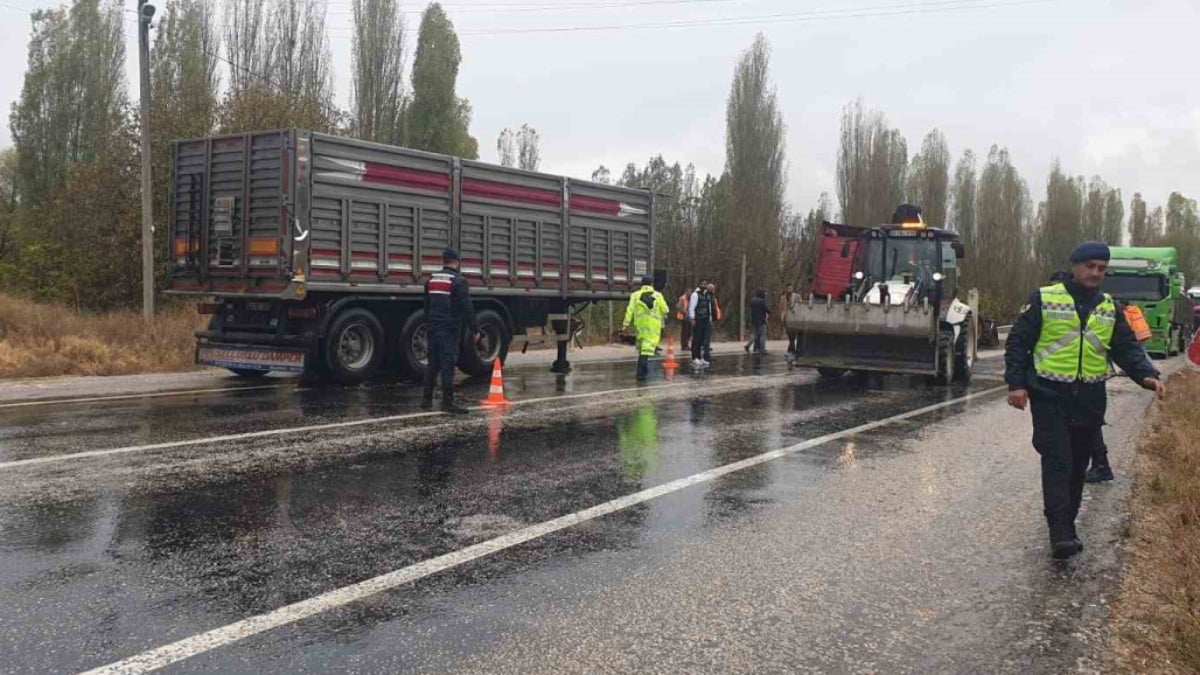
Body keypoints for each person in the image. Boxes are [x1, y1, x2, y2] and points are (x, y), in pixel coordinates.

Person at [1005, 241, 1164, 560]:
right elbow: (1019, 342)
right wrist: (1017, 384)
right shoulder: (1045, 298)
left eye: (1101, 268)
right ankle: (1061, 532)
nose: (1095, 273)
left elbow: (1126, 347)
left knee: (1078, 466)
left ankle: (1067, 523)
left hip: (1089, 398)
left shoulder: (1109, 307)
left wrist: (1146, 374)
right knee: (1057, 461)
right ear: (1075, 266)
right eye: (1090, 266)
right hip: (1049, 394)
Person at [421, 248, 479, 415]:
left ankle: (426, 400)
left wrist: (429, 322)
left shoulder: (431, 280)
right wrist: (475, 329)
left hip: (433, 326)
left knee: (433, 363)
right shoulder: (459, 281)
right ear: (456, 262)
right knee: (448, 363)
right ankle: (448, 402)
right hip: (449, 328)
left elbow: (426, 305)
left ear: (444, 260)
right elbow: (466, 307)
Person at [622, 276, 669, 382]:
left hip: (639, 327)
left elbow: (629, 310)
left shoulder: (635, 295)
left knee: (641, 350)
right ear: (651, 284)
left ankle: (641, 372)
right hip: (653, 328)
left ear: (642, 284)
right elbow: (665, 309)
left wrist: (625, 324)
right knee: (646, 352)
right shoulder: (658, 295)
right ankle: (641, 374)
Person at [689, 283, 717, 367]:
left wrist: (710, 318)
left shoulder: (707, 295)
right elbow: (692, 307)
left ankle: (701, 357)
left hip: (706, 319)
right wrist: (692, 318)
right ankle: (695, 357)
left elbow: (710, 308)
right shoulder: (695, 294)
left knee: (702, 339)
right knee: (697, 338)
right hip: (698, 319)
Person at [676, 280, 703, 352]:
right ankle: (684, 345)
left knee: (689, 332)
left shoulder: (691, 298)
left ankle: (687, 345)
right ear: (686, 292)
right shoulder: (682, 298)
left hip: (689, 318)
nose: (690, 293)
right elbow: (678, 307)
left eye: (690, 292)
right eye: (689, 292)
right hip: (683, 317)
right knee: (684, 333)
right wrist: (684, 312)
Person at [745, 289, 770, 353]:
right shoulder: (762, 302)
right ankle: (762, 348)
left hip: (754, 321)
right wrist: (769, 312)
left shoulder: (752, 301)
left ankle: (748, 345)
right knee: (763, 334)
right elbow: (766, 309)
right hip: (761, 320)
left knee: (755, 334)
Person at [779, 284, 799, 364]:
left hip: (794, 318)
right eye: (788, 288)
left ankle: (791, 351)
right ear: (786, 289)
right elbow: (781, 308)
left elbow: (801, 304)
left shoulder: (796, 296)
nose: (789, 290)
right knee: (790, 336)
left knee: (792, 336)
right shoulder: (783, 298)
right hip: (786, 318)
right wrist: (782, 316)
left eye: (791, 288)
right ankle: (791, 351)